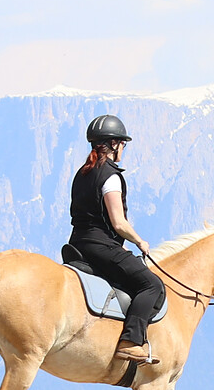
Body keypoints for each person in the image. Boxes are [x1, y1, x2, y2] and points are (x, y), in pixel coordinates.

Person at [67, 115, 164, 364]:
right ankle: (131, 342)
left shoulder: (82, 173)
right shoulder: (110, 176)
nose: (124, 149)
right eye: (123, 144)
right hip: (101, 247)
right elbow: (118, 223)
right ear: (113, 144)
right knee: (151, 285)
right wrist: (140, 241)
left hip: (76, 245)